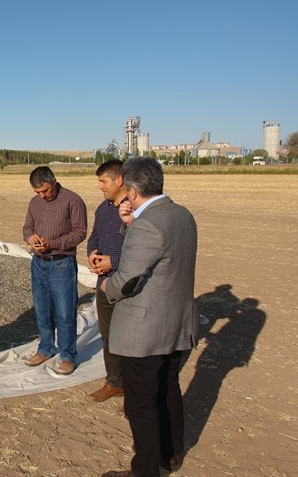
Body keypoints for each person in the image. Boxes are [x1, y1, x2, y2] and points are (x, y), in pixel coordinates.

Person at [100, 157, 198, 477]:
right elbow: (160, 260)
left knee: (141, 404)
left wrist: (106, 287)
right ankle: (170, 453)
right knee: (168, 389)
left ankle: (145, 470)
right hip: (177, 322)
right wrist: (130, 224)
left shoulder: (148, 225)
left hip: (145, 329)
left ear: (131, 190)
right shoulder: (182, 214)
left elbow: (128, 279)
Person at [22, 165, 87, 375]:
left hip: (62, 264)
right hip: (38, 263)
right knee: (42, 310)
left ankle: (68, 355)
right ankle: (45, 348)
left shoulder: (72, 200)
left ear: (54, 181)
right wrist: (31, 238)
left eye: (45, 190)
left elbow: (80, 232)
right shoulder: (34, 203)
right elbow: (27, 228)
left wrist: (53, 244)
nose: (42, 195)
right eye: (37, 192)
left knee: (65, 312)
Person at [87, 159, 126, 402]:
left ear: (119, 180)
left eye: (103, 181)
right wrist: (91, 253)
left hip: (127, 286)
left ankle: (135, 391)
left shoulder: (135, 210)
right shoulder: (103, 209)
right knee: (108, 335)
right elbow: (94, 237)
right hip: (104, 284)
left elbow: (144, 250)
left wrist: (115, 261)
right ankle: (115, 382)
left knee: (131, 340)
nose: (100, 186)